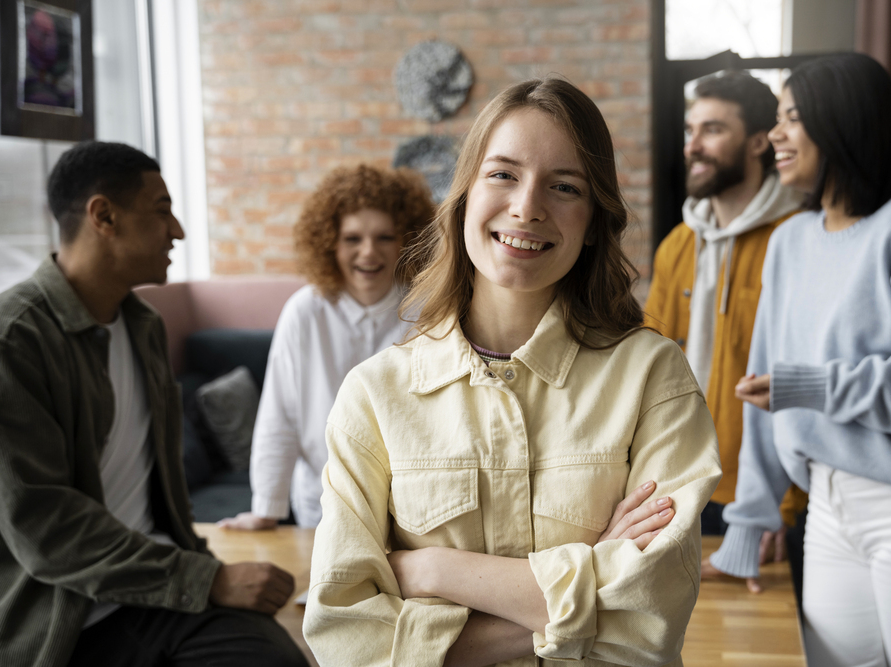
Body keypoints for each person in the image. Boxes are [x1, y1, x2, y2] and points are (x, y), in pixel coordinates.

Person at [302, 78, 722, 666]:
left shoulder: (654, 376)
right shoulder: (374, 394)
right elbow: (346, 641)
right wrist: (592, 586)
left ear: (594, 219)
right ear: (465, 195)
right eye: (502, 174)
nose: (527, 207)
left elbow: (651, 614)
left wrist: (434, 570)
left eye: (564, 186)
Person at [706, 53, 891, 666]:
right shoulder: (789, 242)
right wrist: (750, 523)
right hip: (829, 509)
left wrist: (812, 386)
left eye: (792, 117)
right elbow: (762, 391)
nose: (775, 135)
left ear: (842, 121)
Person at [0, 141, 308, 667]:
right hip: (65, 619)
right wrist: (209, 579)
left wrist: (200, 574)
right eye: (162, 210)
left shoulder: (142, 326)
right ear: (104, 216)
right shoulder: (13, 341)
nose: (178, 231)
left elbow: (161, 493)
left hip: (162, 591)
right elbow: (46, 528)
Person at [643, 71, 806, 573]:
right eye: (691, 130)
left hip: (775, 503)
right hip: (683, 490)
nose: (694, 145)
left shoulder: (798, 239)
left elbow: (804, 381)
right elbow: (647, 371)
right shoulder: (677, 245)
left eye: (713, 129)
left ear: (759, 140)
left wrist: (781, 507)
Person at [217, 165, 434, 531]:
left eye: (384, 237)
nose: (369, 252)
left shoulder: (428, 312)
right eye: (352, 239)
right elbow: (279, 416)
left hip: (410, 509)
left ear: (407, 240)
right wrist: (266, 509)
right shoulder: (304, 312)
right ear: (329, 243)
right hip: (319, 506)